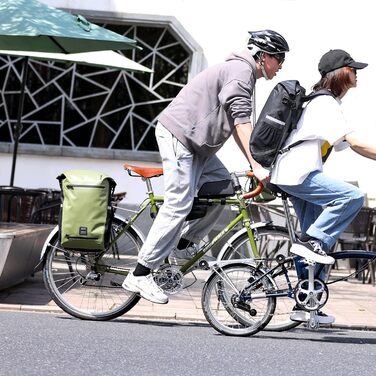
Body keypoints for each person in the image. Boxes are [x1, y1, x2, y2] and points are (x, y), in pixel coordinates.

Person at [122, 29, 290, 304]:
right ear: (264, 56)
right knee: (179, 202)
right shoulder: (240, 70)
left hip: (198, 145)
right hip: (180, 136)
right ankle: (140, 273)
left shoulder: (244, 72)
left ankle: (182, 245)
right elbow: (241, 122)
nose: (281, 65)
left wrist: (255, 161)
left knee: (223, 188)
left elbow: (239, 126)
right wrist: (257, 165)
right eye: (279, 58)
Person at [270, 49, 376, 323]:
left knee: (316, 242)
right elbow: (355, 143)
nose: (356, 75)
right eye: (353, 70)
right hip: (298, 174)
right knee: (352, 197)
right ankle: (310, 242)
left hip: (296, 173)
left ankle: (305, 303)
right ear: (341, 73)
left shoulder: (324, 104)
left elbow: (345, 145)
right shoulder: (324, 104)